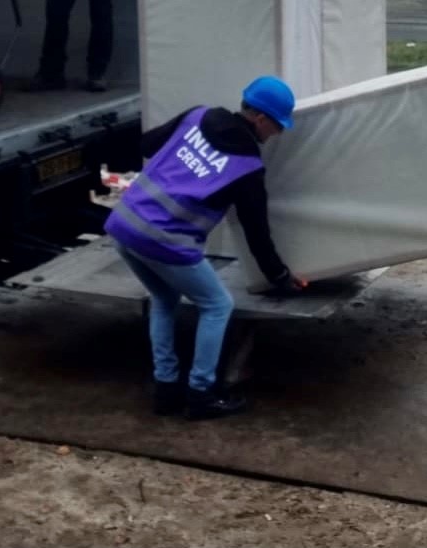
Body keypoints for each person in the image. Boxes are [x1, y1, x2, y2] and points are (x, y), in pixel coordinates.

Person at [105, 76, 308, 421]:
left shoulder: (197, 116)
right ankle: (201, 394)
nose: (278, 134)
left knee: (164, 299)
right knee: (217, 305)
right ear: (260, 118)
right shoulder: (247, 167)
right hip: (164, 239)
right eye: (278, 126)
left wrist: (188, 161)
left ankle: (166, 389)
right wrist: (280, 277)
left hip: (124, 224)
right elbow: (257, 234)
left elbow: (147, 144)